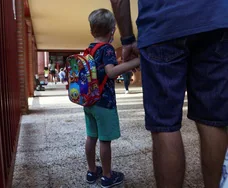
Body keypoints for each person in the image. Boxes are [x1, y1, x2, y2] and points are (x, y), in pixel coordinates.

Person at [110, 0, 228, 187]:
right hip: (215, 18)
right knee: (213, 118)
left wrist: (127, 38)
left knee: (164, 124)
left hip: (161, 23)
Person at [84, 8, 140, 187]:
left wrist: (123, 65)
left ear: (92, 30)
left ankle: (92, 172)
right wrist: (137, 62)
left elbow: (101, 72)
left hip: (89, 101)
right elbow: (111, 72)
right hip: (104, 102)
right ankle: (107, 176)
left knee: (91, 137)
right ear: (113, 30)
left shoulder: (89, 49)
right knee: (105, 140)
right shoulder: (107, 48)